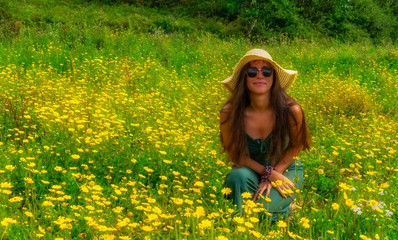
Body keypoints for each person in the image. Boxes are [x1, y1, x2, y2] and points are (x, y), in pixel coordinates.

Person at [220, 49, 311, 222]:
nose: (260, 76)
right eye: (252, 72)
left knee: (264, 214)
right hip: (249, 170)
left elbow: (297, 145)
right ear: (244, 78)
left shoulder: (291, 110)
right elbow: (235, 155)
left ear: (274, 78)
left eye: (267, 71)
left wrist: (276, 172)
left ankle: (286, 212)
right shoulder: (229, 113)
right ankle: (239, 224)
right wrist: (268, 173)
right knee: (236, 177)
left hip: (285, 168)